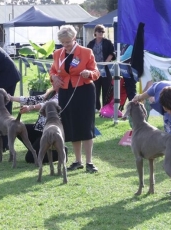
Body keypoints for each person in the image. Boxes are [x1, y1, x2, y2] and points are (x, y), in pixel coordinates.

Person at [132, 80, 171, 200]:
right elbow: (146, 94)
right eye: (167, 109)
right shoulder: (158, 88)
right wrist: (139, 97)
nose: (170, 112)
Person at [50, 25, 100, 173]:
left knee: (85, 125)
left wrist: (89, 73)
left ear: (74, 38)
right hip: (66, 91)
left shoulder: (86, 52)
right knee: (71, 125)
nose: (65, 45)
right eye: (62, 42)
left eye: (68, 42)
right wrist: (53, 77)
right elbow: (53, 70)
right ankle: (78, 160)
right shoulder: (57, 54)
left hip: (84, 91)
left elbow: (96, 72)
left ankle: (89, 161)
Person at [8, 87, 68, 163]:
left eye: (54, 79)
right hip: (40, 129)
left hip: (50, 131)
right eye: (51, 79)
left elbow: (46, 104)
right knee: (19, 129)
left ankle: (61, 152)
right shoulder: (51, 93)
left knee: (29, 158)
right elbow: (34, 99)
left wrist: (31, 107)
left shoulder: (63, 95)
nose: (52, 82)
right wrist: (11, 98)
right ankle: (37, 149)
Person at [86, 24, 115, 112]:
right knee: (96, 88)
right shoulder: (91, 43)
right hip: (94, 69)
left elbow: (112, 53)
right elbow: (87, 55)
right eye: (99, 31)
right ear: (95, 32)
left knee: (106, 88)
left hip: (105, 68)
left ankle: (106, 107)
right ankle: (96, 107)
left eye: (102, 31)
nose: (101, 33)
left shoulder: (108, 42)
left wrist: (105, 63)